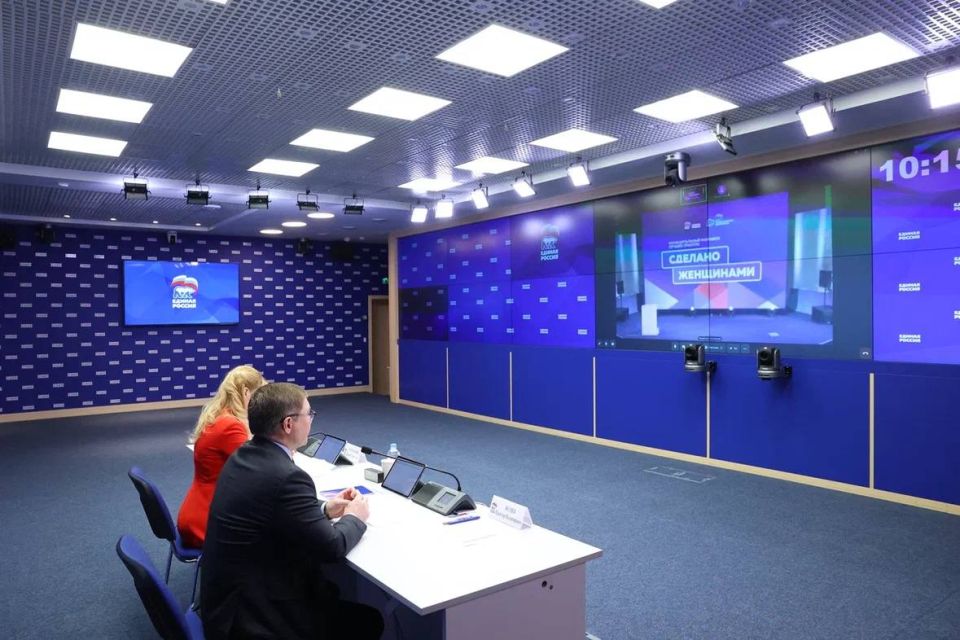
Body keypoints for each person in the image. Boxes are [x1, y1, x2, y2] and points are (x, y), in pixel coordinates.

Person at [200, 382, 383, 640]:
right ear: (288, 424)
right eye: (309, 414)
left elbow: (272, 508)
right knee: (368, 621)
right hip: (254, 619)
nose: (311, 419)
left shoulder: (243, 455)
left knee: (330, 588)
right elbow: (332, 547)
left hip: (226, 603)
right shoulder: (287, 476)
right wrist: (355, 516)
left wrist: (325, 509)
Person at [177, 365, 266, 548]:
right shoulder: (231, 425)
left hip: (199, 511)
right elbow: (260, 467)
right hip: (209, 521)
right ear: (246, 393)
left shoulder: (220, 416)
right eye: (259, 395)